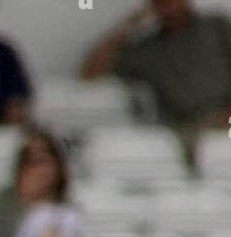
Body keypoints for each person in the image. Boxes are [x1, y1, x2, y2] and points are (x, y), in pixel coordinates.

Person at [81, 0, 231, 158]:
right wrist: (128, 26)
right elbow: (90, 74)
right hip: (190, 127)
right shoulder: (145, 50)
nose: (170, 7)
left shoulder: (216, 27)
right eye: (162, 3)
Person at [0, 128, 72, 237]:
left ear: (58, 167)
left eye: (42, 161)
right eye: (29, 162)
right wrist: (27, 202)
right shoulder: (4, 201)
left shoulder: (69, 207)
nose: (36, 170)